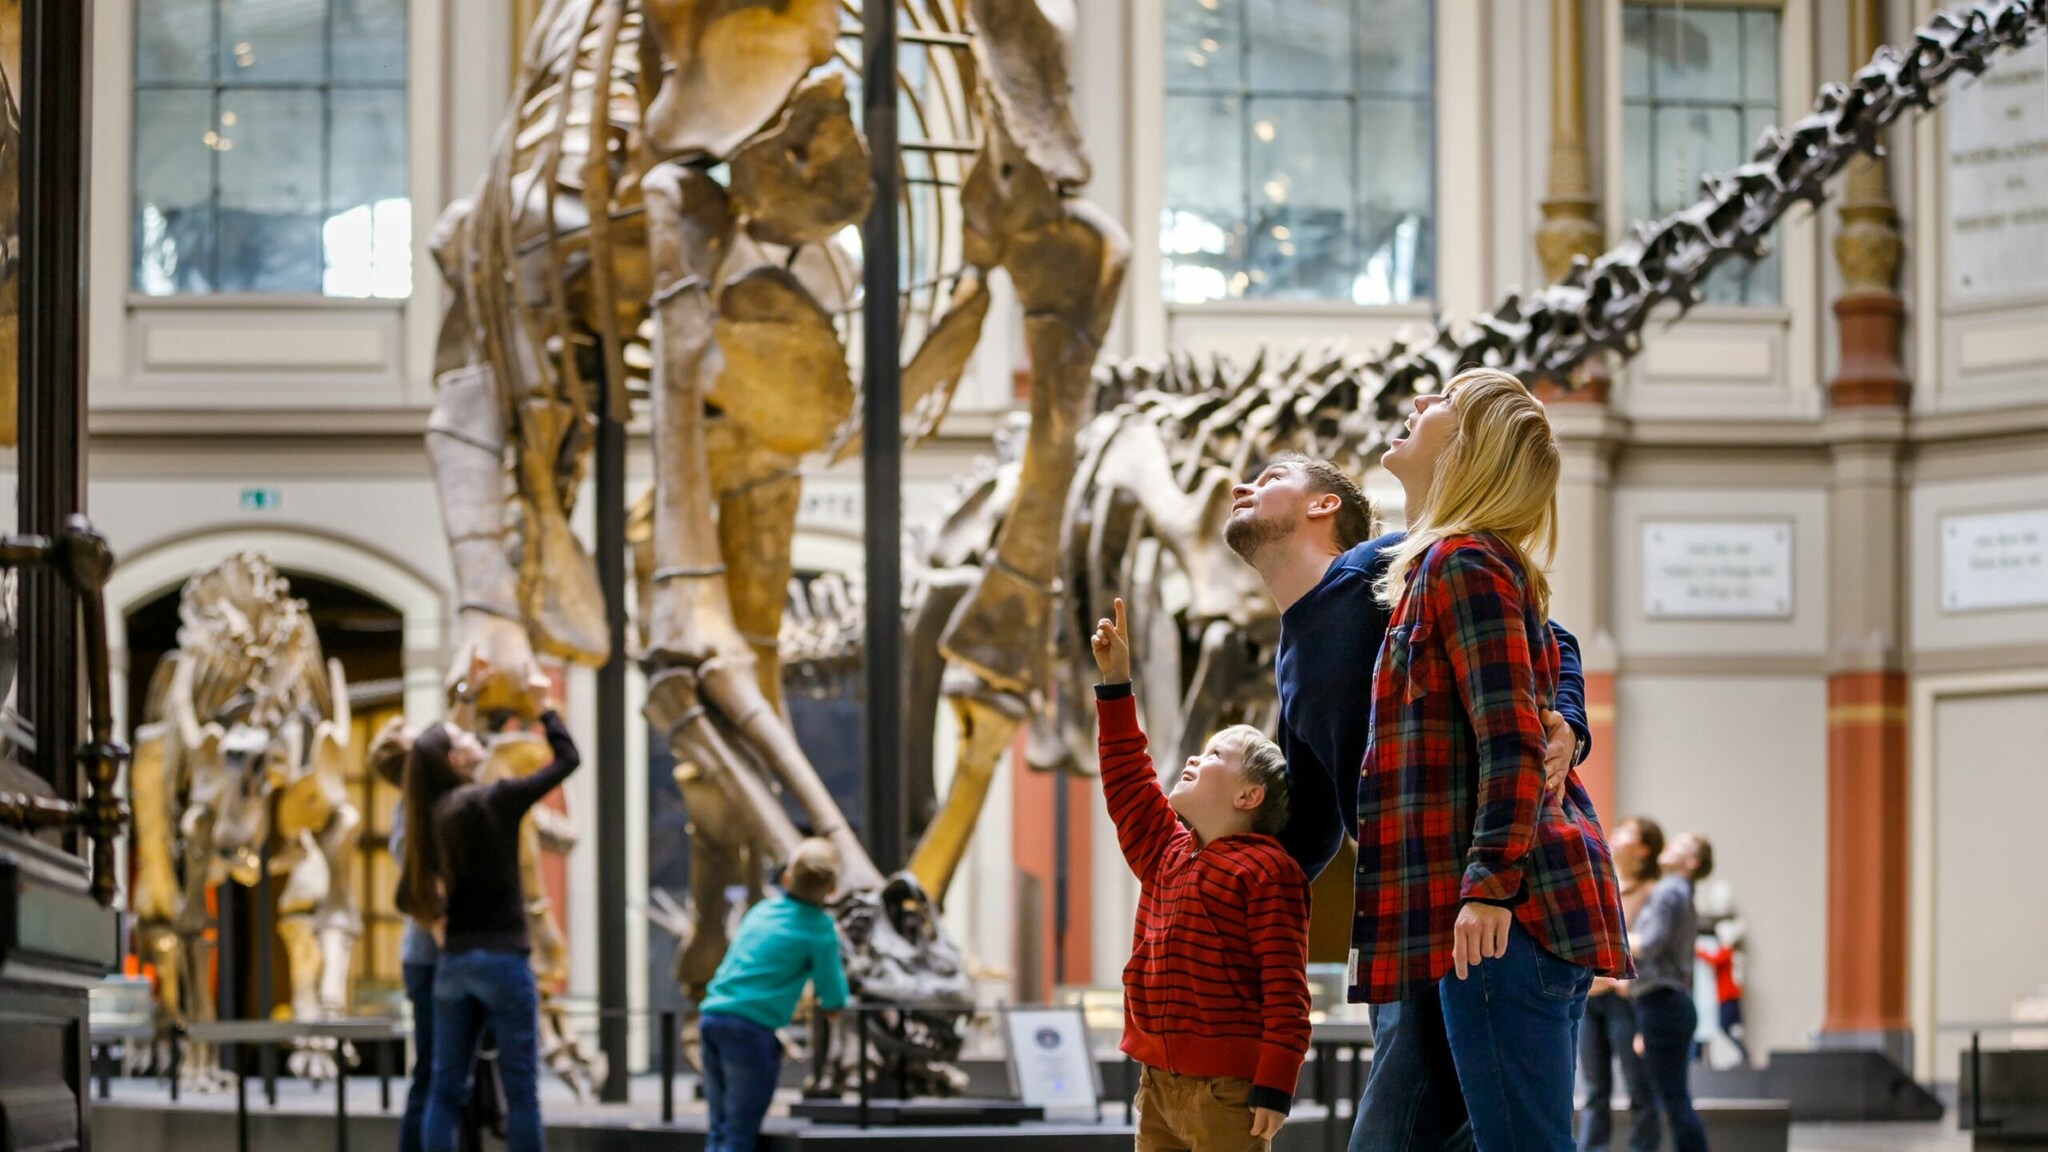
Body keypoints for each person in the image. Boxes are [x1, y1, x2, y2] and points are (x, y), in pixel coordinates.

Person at [1224, 446, 1595, 1152]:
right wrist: (1223, 887)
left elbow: (1553, 634)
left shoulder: (1384, 566)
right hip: (1407, 915)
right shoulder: (1291, 648)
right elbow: (1311, 825)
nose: (1243, 484)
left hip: (1464, 900)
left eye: (1272, 478)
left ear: (1323, 505)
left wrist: (1569, 721)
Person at [1355, 368, 1633, 1152]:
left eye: (1441, 399)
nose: (1417, 401)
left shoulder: (1464, 563)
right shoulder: (1458, 564)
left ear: (1470, 444)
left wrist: (1488, 887)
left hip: (1508, 914)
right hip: (1499, 913)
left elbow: (1509, 741)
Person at [1091, 597, 1311, 1152]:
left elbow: (1286, 987)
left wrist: (1276, 1083)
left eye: (1215, 754)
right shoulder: (1165, 850)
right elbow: (1128, 781)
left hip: (1228, 1094)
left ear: (1248, 795)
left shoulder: (1267, 872)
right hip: (1156, 1084)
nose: (1193, 757)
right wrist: (1117, 686)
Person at [411, 668, 581, 1152]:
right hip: (503, 960)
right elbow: (567, 759)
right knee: (523, 1093)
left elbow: (433, 754)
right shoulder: (497, 800)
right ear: (457, 757)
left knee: (445, 1091)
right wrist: (544, 705)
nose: (472, 737)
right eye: (464, 737)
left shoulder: (433, 815)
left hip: (455, 964)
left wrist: (467, 695)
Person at [695, 838, 850, 1152]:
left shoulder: (763, 910)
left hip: (712, 1017)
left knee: (719, 1129)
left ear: (787, 878)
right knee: (738, 1135)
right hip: (750, 1030)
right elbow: (831, 991)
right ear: (832, 888)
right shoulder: (820, 929)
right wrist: (833, 1006)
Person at [374, 720, 443, 1152]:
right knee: (434, 1072)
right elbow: (414, 877)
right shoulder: (410, 812)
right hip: (431, 958)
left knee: (443, 1073)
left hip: (440, 956)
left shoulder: (426, 803)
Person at [1580, 817, 1666, 1152]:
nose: (1616, 833)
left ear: (1644, 849)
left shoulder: (1654, 893)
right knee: (1593, 1090)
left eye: (1628, 831)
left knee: (1639, 1087)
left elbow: (1657, 950)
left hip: (1627, 999)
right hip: (1592, 998)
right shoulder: (1604, 881)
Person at [1631, 832, 1712, 1152]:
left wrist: (1615, 937)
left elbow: (1650, 945)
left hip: (1662, 1003)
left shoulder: (1668, 891)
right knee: (1676, 1097)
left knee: (1675, 1099)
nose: (1670, 846)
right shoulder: (1682, 892)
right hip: (1669, 1003)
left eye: (1681, 845)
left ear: (1692, 863)